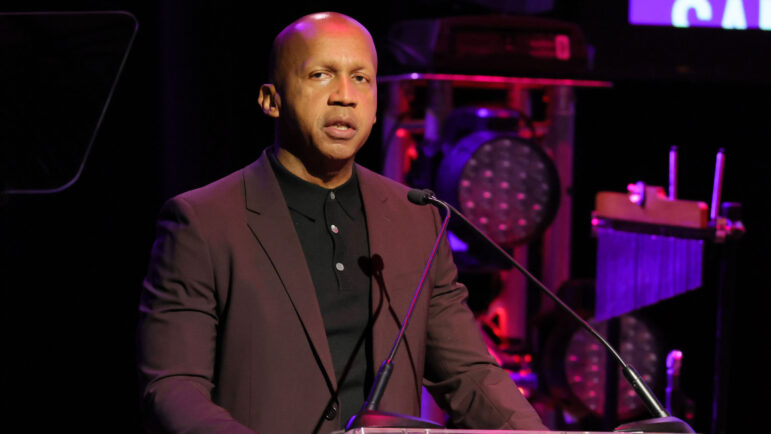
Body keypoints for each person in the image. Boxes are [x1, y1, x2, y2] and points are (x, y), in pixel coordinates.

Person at [137, 12, 547, 433]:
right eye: (321, 74)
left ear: (374, 107)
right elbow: (174, 386)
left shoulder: (416, 219)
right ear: (271, 99)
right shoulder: (203, 222)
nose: (344, 96)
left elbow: (469, 374)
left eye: (361, 79)